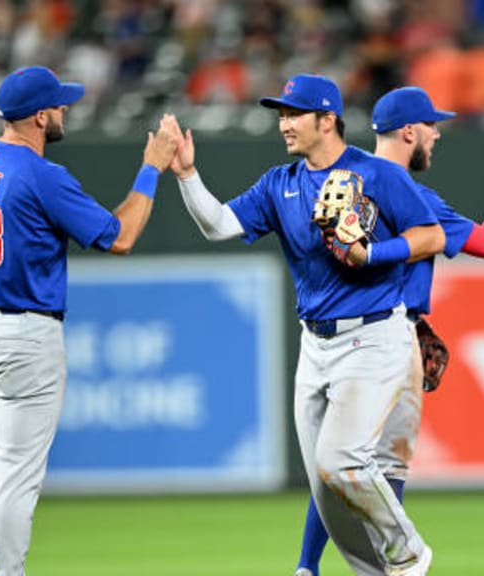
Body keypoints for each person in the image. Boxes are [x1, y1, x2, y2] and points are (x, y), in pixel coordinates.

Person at [165, 74, 442, 576]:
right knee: (326, 487)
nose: (284, 123)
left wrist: (372, 252)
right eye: (281, 114)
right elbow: (220, 225)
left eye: (294, 114)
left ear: (327, 119)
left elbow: (431, 235)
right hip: (314, 343)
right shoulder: (280, 183)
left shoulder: (376, 173)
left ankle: (408, 552)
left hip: (374, 334)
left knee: (341, 460)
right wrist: (187, 176)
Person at [0, 65, 178, 576]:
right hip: (24, 334)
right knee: (16, 476)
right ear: (40, 116)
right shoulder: (41, 174)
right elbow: (120, 236)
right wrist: (151, 167)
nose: (65, 111)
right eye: (59, 105)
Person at [293, 87, 484, 576]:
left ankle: (307, 567)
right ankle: (394, 567)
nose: (437, 133)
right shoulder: (412, 195)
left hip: (329, 335)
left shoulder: (337, 178)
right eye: (431, 125)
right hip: (384, 339)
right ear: (410, 131)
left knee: (339, 464)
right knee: (378, 468)